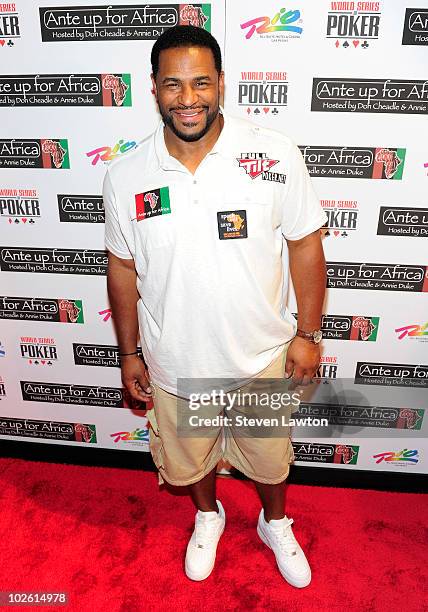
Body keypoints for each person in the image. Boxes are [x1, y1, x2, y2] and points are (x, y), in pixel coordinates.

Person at [103, 25, 327, 587]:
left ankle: (276, 523)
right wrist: (129, 352)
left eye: (201, 82)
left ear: (222, 84)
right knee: (191, 458)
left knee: (271, 460)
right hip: (175, 360)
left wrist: (308, 334)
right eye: (173, 84)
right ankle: (208, 514)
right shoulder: (126, 174)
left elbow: (305, 244)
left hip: (259, 357)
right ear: (153, 89)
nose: (189, 98)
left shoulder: (273, 155)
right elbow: (123, 268)